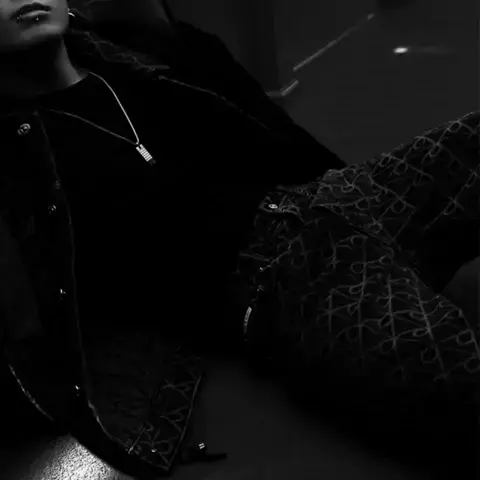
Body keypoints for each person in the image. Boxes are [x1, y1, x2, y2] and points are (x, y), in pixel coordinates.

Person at [0, 0, 477, 477]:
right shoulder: (17, 156)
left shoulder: (137, 60)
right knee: (454, 375)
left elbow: (268, 126)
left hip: (327, 198)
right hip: (278, 280)